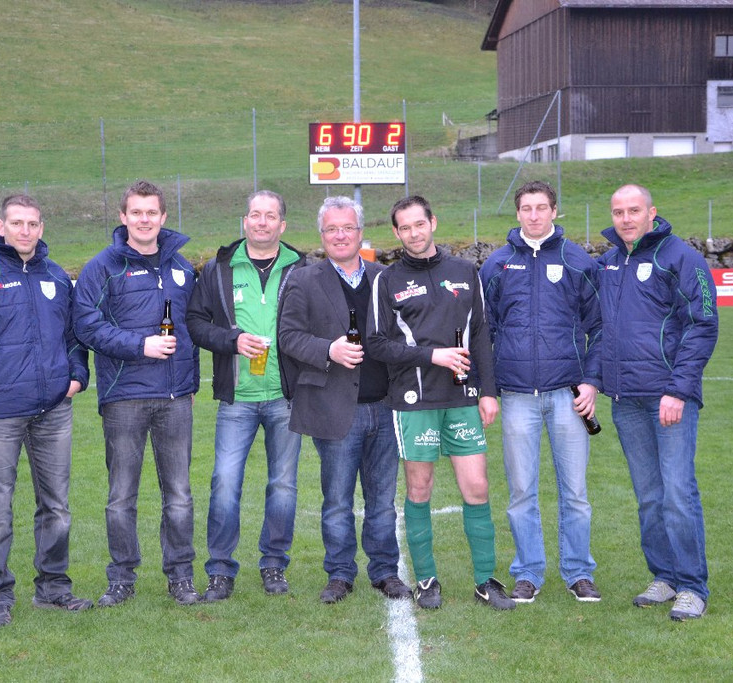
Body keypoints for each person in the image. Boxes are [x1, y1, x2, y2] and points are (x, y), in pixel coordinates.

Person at [0, 194, 92, 628]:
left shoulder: (57, 276)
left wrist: (77, 375)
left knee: (56, 507)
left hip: (53, 411)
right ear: (1, 226)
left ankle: (53, 589)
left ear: (41, 228)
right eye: (17, 223)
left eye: (32, 223)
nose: (25, 230)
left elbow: (74, 335)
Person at [366, 195, 515, 611]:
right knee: (420, 487)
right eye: (405, 227)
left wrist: (488, 390)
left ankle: (486, 580)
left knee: (477, 487)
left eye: (420, 224)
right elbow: (376, 343)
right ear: (396, 232)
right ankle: (427, 579)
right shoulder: (387, 280)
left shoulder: (465, 272)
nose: (414, 233)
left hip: (462, 397)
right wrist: (431, 355)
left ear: (433, 222)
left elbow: (481, 332)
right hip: (414, 400)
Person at [73, 180, 201, 608]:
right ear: (123, 217)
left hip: (174, 398)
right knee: (121, 497)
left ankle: (181, 577)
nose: (144, 220)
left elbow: (191, 330)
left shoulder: (182, 267)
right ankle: (122, 578)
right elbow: (85, 325)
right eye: (136, 212)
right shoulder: (101, 267)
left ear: (163, 217)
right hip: (123, 396)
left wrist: (190, 383)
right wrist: (139, 345)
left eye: (151, 213)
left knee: (179, 496)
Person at [278, 196, 411, 604]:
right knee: (337, 500)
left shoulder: (384, 277)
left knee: (382, 500)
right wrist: (328, 350)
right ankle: (339, 573)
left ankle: (385, 571)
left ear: (360, 233)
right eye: (332, 229)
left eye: (347, 228)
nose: (340, 235)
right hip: (335, 409)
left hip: (386, 407)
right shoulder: (303, 280)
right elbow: (288, 337)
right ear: (322, 235)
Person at [597, 184, 719, 621]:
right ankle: (664, 576)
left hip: (668, 398)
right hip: (626, 400)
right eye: (618, 212)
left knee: (678, 494)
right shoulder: (608, 263)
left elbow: (703, 324)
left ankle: (692, 586)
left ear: (652, 213)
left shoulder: (681, 257)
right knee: (649, 496)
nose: (626, 219)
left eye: (634, 210)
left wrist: (678, 390)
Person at [479, 180, 603, 604]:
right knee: (521, 492)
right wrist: (487, 389)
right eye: (526, 208)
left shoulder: (577, 261)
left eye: (541, 207)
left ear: (554, 211)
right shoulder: (497, 265)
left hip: (569, 395)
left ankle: (579, 571)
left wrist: (592, 381)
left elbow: (599, 328)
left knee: (576, 493)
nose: (534, 215)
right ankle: (528, 572)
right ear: (517, 213)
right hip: (516, 396)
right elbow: (483, 332)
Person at [186, 190, 307, 601]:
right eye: (255, 214)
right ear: (245, 221)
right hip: (236, 398)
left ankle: (274, 564)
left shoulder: (301, 268)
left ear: (282, 225)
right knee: (224, 482)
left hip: (286, 397)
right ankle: (220, 569)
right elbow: (195, 322)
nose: (261, 222)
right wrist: (231, 340)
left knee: (283, 485)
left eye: (270, 215)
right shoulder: (219, 268)